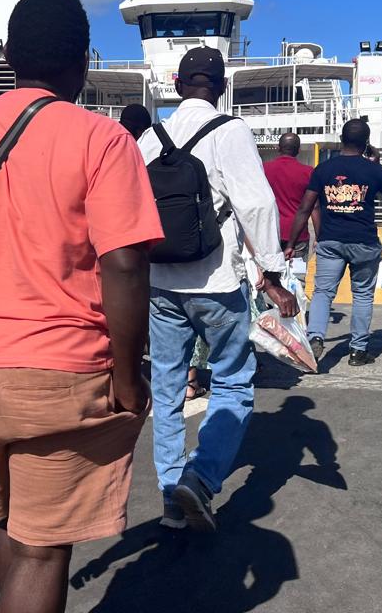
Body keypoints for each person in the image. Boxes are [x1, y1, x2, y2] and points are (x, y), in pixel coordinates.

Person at [0, 0, 162, 613]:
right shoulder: (103, 140)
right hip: (57, 371)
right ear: (82, 61)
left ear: (8, 57)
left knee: (13, 523)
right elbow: (125, 264)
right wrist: (127, 375)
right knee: (43, 551)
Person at [137, 46, 298, 533]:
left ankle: (171, 496)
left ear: (177, 85)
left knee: (167, 388)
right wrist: (272, 273)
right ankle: (202, 478)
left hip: (160, 281)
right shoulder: (230, 131)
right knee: (231, 381)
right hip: (216, 281)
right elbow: (256, 205)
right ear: (222, 86)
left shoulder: (149, 137)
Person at [285, 118, 382, 366]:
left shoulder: (323, 169)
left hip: (331, 241)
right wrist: (378, 168)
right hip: (364, 242)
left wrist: (290, 243)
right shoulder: (373, 169)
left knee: (323, 293)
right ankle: (358, 351)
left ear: (341, 139)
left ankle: (315, 337)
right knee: (362, 295)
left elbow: (305, 208)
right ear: (366, 143)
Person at [263, 132, 316, 259]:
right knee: (296, 271)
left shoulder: (263, 169)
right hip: (297, 234)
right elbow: (315, 207)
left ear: (278, 148)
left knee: (269, 270)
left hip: (269, 232)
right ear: (298, 150)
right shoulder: (308, 172)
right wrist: (318, 236)